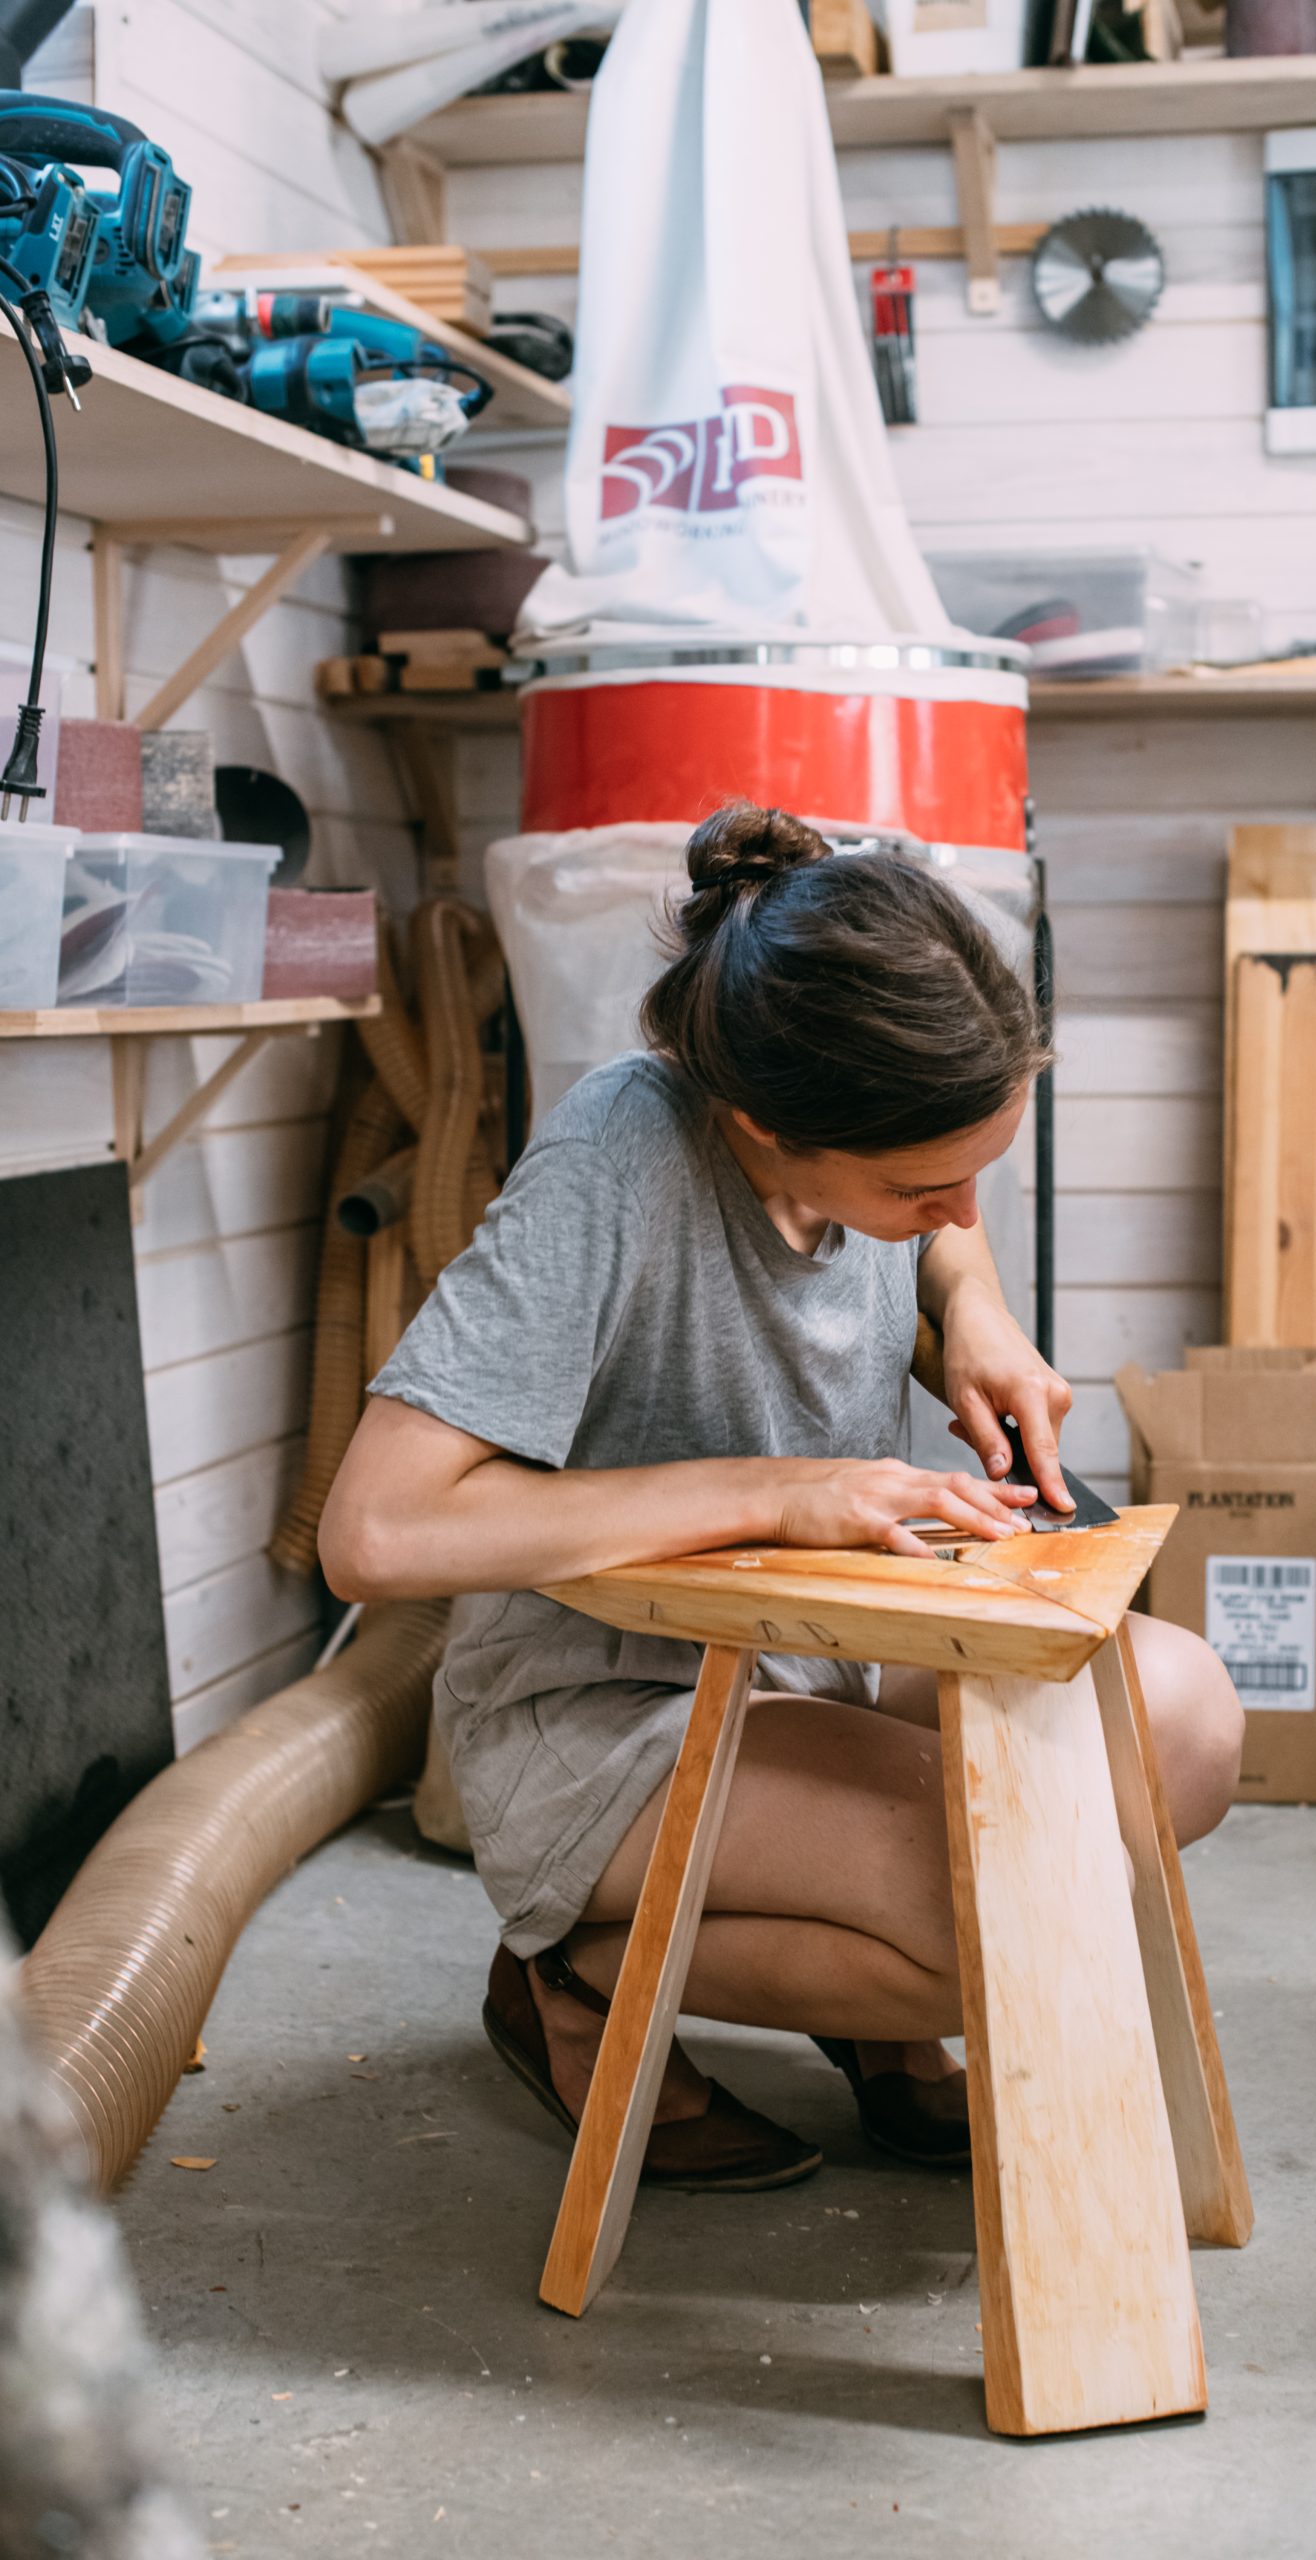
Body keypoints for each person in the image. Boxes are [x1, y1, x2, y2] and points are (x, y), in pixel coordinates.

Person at [320, 802, 1243, 2191]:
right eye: (924, 1189)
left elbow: (943, 1236)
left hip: (818, 1659)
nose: (955, 1209)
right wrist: (771, 1491)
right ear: (765, 1122)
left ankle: (866, 1999)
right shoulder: (616, 1161)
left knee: (1186, 1721)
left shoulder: (863, 1141)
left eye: (976, 1175)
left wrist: (972, 1307)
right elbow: (375, 1531)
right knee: (997, 1908)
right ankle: (568, 1975)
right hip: (607, 1708)